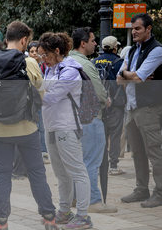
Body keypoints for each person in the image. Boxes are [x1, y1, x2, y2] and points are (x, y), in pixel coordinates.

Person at [0, 21, 57, 230]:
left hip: (0, 131)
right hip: (28, 129)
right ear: (23, 40)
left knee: (2, 178)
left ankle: (1, 226)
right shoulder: (29, 62)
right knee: (38, 174)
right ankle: (49, 221)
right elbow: (41, 92)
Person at [38, 32, 92, 230]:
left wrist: (29, 93)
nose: (43, 59)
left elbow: (50, 96)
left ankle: (83, 216)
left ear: (57, 51)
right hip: (51, 127)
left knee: (77, 171)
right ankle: (64, 211)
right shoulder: (51, 69)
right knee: (61, 174)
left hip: (67, 128)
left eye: (45, 55)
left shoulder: (70, 71)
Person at [69, 27, 117, 214]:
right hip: (91, 118)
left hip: (74, 118)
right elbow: (98, 92)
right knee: (91, 161)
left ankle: (76, 196)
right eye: (93, 40)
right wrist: (106, 99)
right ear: (83, 43)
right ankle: (93, 200)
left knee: (79, 161)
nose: (96, 43)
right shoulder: (86, 65)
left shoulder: (68, 60)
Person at [117, 13, 162, 208]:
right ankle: (141, 190)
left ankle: (159, 192)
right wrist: (129, 74)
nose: (133, 32)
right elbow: (120, 79)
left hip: (149, 108)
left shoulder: (157, 50)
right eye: (132, 28)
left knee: (154, 152)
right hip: (131, 107)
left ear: (148, 29)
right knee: (137, 152)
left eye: (138, 29)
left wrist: (128, 74)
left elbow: (138, 78)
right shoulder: (131, 51)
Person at [92, 36, 127, 176]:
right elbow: (123, 83)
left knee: (102, 133)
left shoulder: (93, 62)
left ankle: (101, 164)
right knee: (115, 133)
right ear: (115, 48)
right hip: (116, 102)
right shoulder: (119, 62)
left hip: (99, 103)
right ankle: (113, 165)